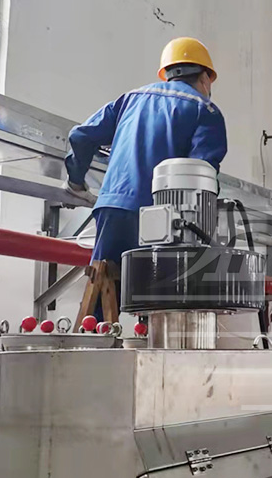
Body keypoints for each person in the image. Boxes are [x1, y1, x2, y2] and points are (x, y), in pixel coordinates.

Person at [63, 37, 228, 318]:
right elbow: (201, 175)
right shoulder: (205, 110)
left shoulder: (130, 99)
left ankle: (95, 339)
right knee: (165, 307)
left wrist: (76, 182)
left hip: (113, 209)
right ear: (204, 77)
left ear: (167, 72)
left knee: (101, 300)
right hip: (164, 219)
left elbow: (80, 135)